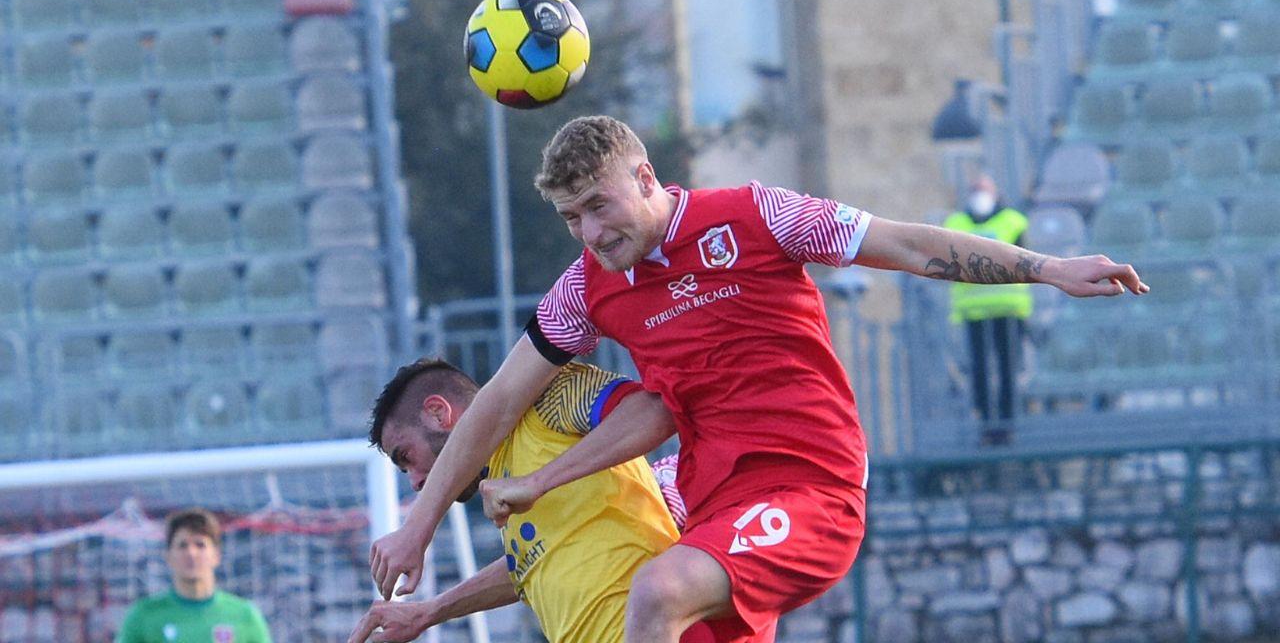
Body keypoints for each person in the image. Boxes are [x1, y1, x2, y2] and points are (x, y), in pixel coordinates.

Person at [369, 116, 1148, 643]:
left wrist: (1048, 269)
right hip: (713, 513)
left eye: (600, 207)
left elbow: (907, 246)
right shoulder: (587, 286)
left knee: (660, 589)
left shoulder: (756, 216)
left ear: (645, 177)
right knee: (673, 594)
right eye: (572, 219)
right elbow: (499, 396)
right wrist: (421, 528)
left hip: (811, 488)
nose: (592, 233)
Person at [348, 357, 722, 643]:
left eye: (406, 458)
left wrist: (539, 481)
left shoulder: (545, 399)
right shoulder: (500, 483)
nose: (414, 482)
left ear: (437, 412)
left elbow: (652, 408)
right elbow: (527, 567)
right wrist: (428, 612)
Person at [943, 174, 1032, 441]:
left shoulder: (1013, 221)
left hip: (1008, 308)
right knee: (979, 370)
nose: (979, 194)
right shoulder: (955, 223)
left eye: (984, 188)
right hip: (974, 311)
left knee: (1008, 369)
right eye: (975, 189)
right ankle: (985, 422)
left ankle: (1007, 423)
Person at [116, 508, 272, 643]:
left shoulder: (244, 615)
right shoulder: (143, 616)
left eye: (200, 545)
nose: (191, 553)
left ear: (216, 555)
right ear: (168, 556)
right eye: (182, 545)